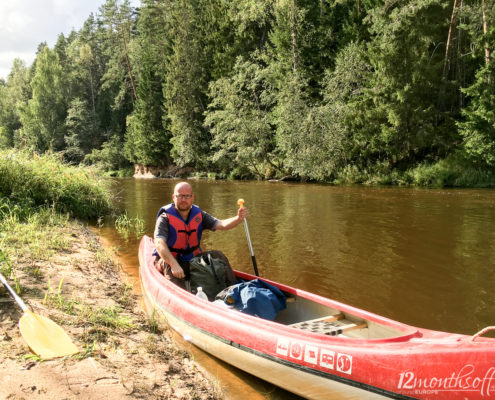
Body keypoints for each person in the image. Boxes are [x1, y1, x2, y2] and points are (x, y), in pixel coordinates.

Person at [153, 181, 249, 288]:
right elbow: (159, 243)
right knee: (167, 264)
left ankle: (234, 289)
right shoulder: (165, 218)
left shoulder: (199, 215)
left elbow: (221, 225)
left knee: (218, 255)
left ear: (192, 197)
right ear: (173, 197)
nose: (183, 200)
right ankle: (183, 296)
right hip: (170, 260)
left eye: (187, 196)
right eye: (180, 196)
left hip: (192, 259)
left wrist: (238, 218)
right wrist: (173, 264)